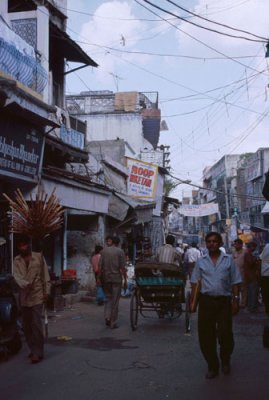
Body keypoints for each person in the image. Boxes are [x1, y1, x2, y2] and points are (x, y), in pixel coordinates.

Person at [190, 232, 241, 379]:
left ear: (220, 244)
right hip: (206, 302)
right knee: (206, 336)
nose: (212, 244)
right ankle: (212, 366)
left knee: (225, 334)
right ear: (206, 244)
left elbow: (235, 281)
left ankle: (225, 360)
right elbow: (195, 282)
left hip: (224, 302)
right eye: (209, 241)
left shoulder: (228, 260)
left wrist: (236, 301)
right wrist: (192, 302)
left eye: (215, 241)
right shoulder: (201, 261)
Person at [13, 235, 51, 364]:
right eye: (21, 246)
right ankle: (32, 348)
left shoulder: (39, 257)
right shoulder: (16, 260)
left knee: (36, 324)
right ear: (18, 248)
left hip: (37, 294)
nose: (24, 247)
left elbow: (45, 275)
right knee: (26, 326)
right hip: (24, 296)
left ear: (29, 245)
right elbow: (16, 276)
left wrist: (47, 291)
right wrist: (24, 284)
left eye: (25, 244)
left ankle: (38, 352)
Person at [98, 236, 127, 329]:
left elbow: (100, 266)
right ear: (118, 243)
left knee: (108, 298)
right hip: (116, 279)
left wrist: (98, 278)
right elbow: (122, 267)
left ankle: (107, 317)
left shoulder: (103, 251)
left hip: (105, 278)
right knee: (115, 301)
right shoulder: (120, 252)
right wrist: (125, 279)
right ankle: (113, 322)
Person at [243, 242, 260, 313]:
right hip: (251, 276)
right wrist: (255, 259)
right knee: (252, 292)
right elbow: (250, 263)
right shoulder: (248, 254)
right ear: (251, 247)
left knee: (252, 292)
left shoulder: (249, 253)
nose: (255, 249)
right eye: (254, 247)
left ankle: (252, 306)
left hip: (251, 275)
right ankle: (252, 307)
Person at [232, 238, 247, 308]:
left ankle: (243, 303)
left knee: (243, 289)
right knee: (235, 289)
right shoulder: (234, 252)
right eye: (235, 244)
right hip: (234, 274)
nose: (235, 246)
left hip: (243, 273)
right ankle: (236, 303)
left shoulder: (245, 251)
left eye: (236, 244)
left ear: (241, 244)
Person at [260, 243, 269, 315]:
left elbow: (261, 257)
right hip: (266, 274)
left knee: (266, 296)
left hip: (265, 275)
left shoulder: (267, 246)